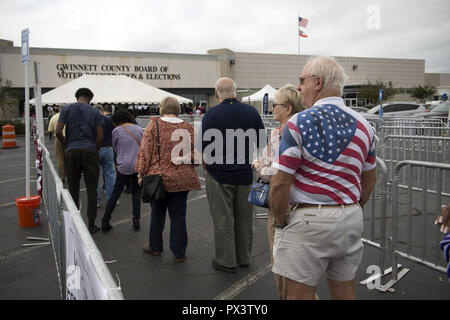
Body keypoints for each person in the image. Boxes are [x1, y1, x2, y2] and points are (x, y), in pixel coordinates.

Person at [269, 56, 377, 300]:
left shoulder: (298, 123)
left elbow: (280, 184)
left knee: (299, 296)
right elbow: (369, 178)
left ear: (317, 82)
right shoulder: (365, 125)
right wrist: (353, 206)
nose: (299, 87)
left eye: (302, 80)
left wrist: (280, 218)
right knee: (345, 291)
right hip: (349, 216)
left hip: (308, 219)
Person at [200, 77, 265, 272]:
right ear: (235, 92)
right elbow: (262, 143)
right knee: (244, 219)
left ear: (217, 92)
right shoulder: (251, 112)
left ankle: (226, 260)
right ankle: (244, 257)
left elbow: (204, 148)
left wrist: (206, 167)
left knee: (223, 219)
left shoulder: (211, 115)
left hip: (218, 174)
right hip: (244, 173)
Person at [251, 84, 303, 298]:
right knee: (300, 269)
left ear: (288, 108)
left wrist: (257, 166)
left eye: (276, 105)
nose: (272, 109)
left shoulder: (282, 132)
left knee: (281, 263)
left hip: (282, 203)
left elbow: (273, 171)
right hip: (302, 205)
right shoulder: (304, 129)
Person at [135, 96, 201, 263]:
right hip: (182, 178)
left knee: (157, 213)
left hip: (159, 177)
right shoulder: (188, 127)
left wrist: (140, 173)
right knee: (179, 215)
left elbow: (145, 152)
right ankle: (179, 252)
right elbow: (197, 153)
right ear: (178, 109)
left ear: (161, 109)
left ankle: (155, 247)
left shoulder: (154, 125)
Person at [56, 88, 104, 235]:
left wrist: (67, 146)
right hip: (90, 150)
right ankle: (91, 224)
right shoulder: (95, 112)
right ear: (90, 98)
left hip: (72, 150)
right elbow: (100, 136)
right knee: (91, 189)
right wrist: (93, 149)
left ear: (77, 97)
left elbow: (58, 132)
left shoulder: (66, 109)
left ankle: (75, 222)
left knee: (74, 188)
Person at [102, 109, 143, 232]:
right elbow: (143, 147)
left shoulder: (116, 131)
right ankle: (136, 219)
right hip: (137, 165)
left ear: (116, 120)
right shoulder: (139, 129)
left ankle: (105, 220)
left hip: (123, 166)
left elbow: (115, 147)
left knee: (116, 193)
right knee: (136, 193)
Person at [94, 105, 116, 208]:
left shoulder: (91, 121)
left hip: (94, 150)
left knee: (95, 176)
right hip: (108, 148)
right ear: (102, 111)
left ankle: (97, 200)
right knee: (110, 175)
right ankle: (111, 199)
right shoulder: (109, 120)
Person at [47, 105, 66, 182]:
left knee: (60, 158)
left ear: (59, 109)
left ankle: (62, 176)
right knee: (70, 158)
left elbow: (50, 130)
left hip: (58, 138)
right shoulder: (70, 116)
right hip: (69, 138)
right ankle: (71, 174)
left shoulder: (54, 117)